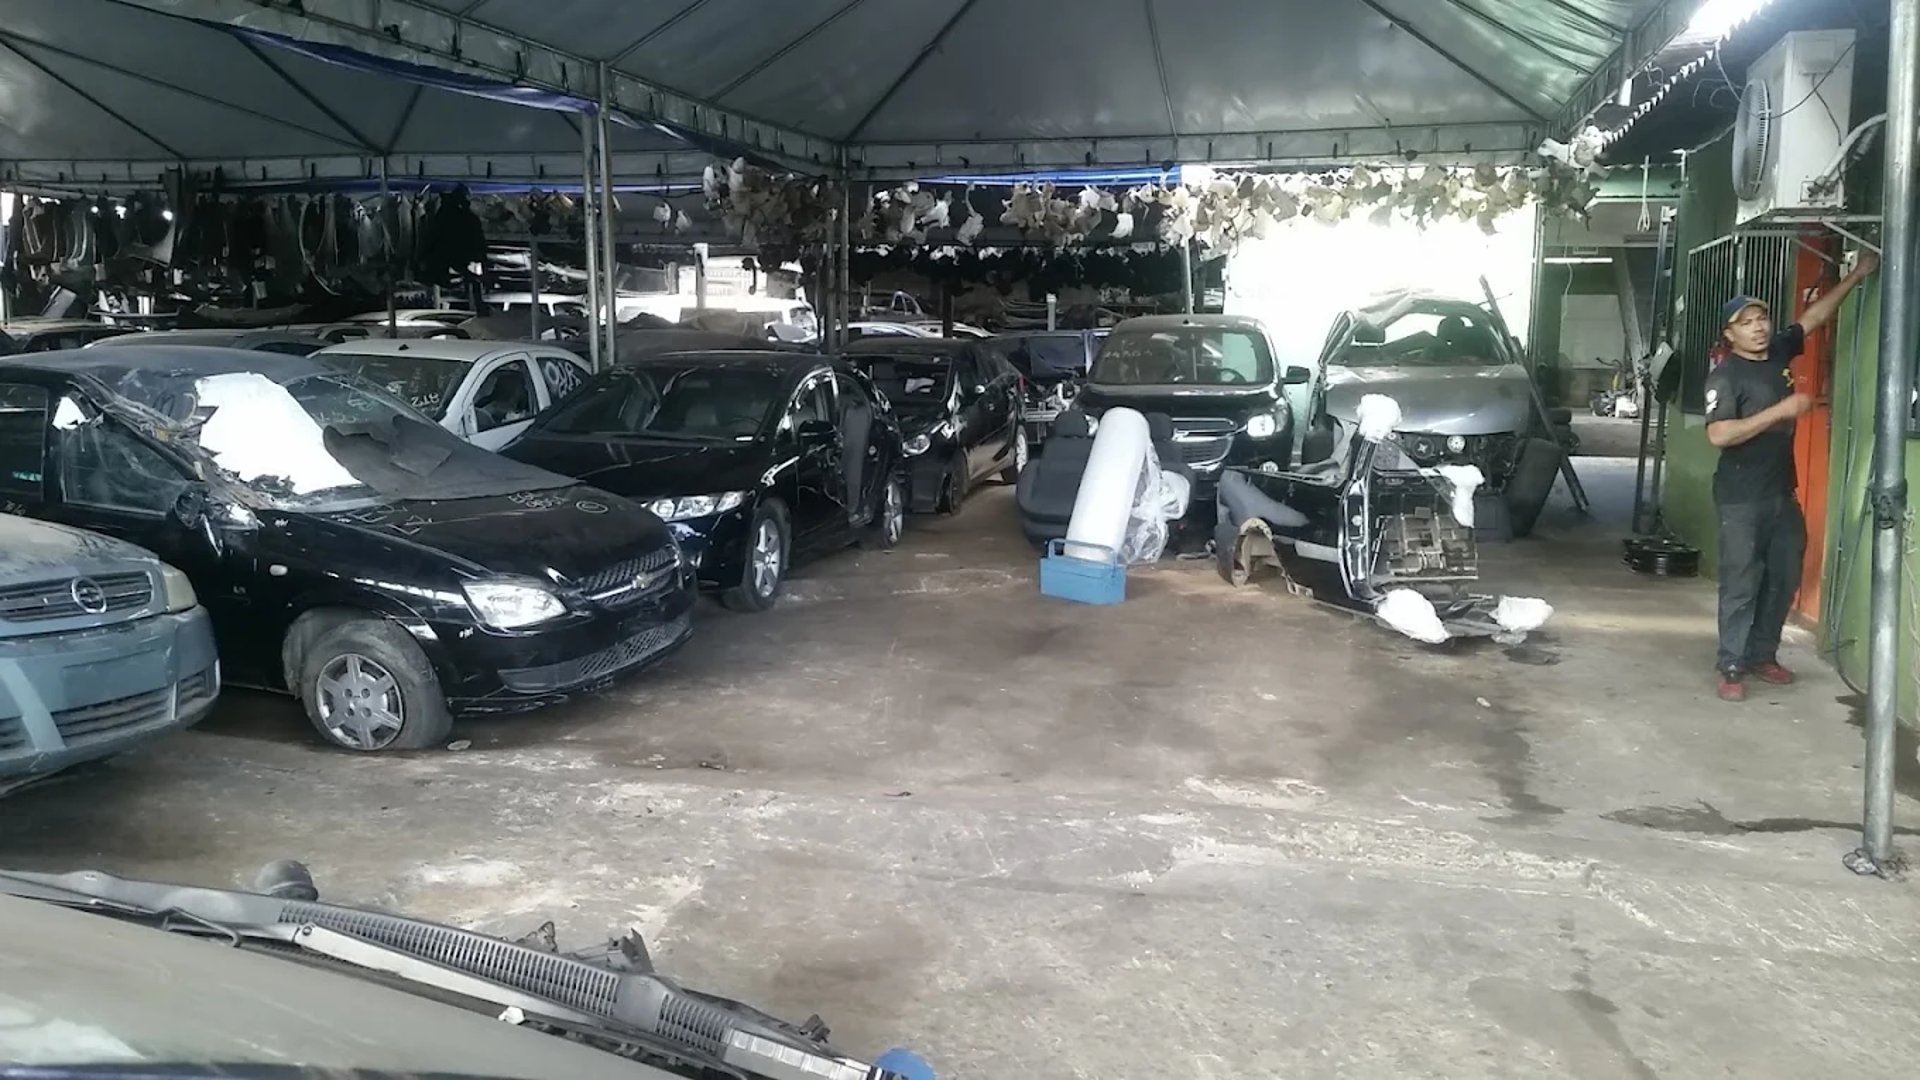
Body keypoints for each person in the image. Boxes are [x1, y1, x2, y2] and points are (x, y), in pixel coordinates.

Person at [1704, 250, 1877, 701]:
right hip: (1741, 497)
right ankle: (1732, 664)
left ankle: (1762, 653)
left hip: (1782, 491)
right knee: (1742, 580)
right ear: (1730, 334)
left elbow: (1814, 317)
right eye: (1747, 322)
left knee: (1783, 574)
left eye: (1761, 318)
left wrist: (1856, 274)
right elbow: (1719, 434)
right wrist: (1780, 410)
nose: (1759, 327)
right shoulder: (1725, 377)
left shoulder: (1778, 349)